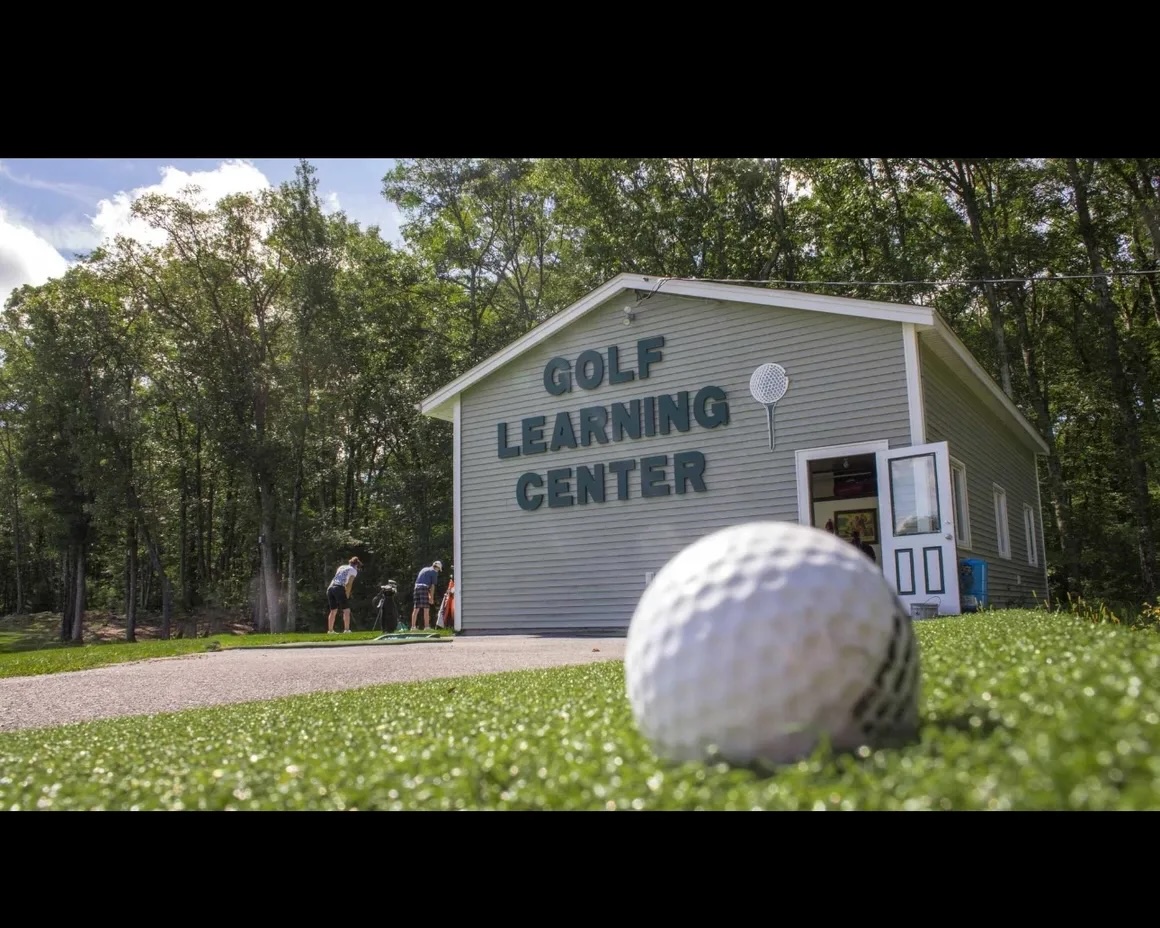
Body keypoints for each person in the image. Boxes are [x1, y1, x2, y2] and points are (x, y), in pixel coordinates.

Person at [326, 556, 362, 633]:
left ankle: (330, 631)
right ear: (356, 565)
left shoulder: (341, 567)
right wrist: (347, 594)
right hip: (339, 588)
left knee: (333, 610)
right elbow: (349, 583)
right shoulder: (353, 570)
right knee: (346, 610)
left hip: (330, 588)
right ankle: (346, 629)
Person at [411, 559, 443, 630]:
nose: (438, 570)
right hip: (424, 588)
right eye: (438, 569)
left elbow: (422, 582)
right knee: (426, 609)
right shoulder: (434, 572)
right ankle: (427, 627)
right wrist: (431, 598)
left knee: (416, 608)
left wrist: (429, 595)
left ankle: (413, 627)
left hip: (416, 588)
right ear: (437, 567)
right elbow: (432, 586)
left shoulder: (424, 569)